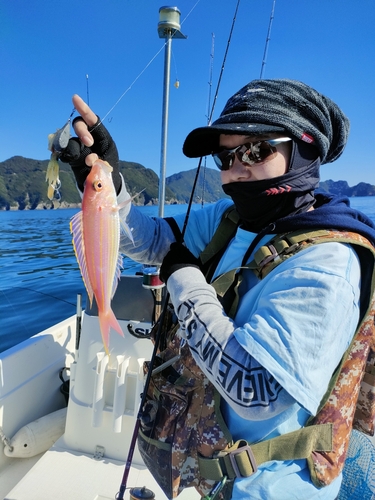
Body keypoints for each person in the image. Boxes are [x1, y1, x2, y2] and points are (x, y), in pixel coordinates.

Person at [61, 79, 375, 499]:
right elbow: (152, 242)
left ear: (304, 150)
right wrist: (106, 185)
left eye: (255, 150)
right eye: (225, 156)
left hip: (268, 487)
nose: (235, 169)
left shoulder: (328, 266)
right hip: (210, 472)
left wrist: (184, 279)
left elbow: (256, 390)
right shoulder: (233, 219)